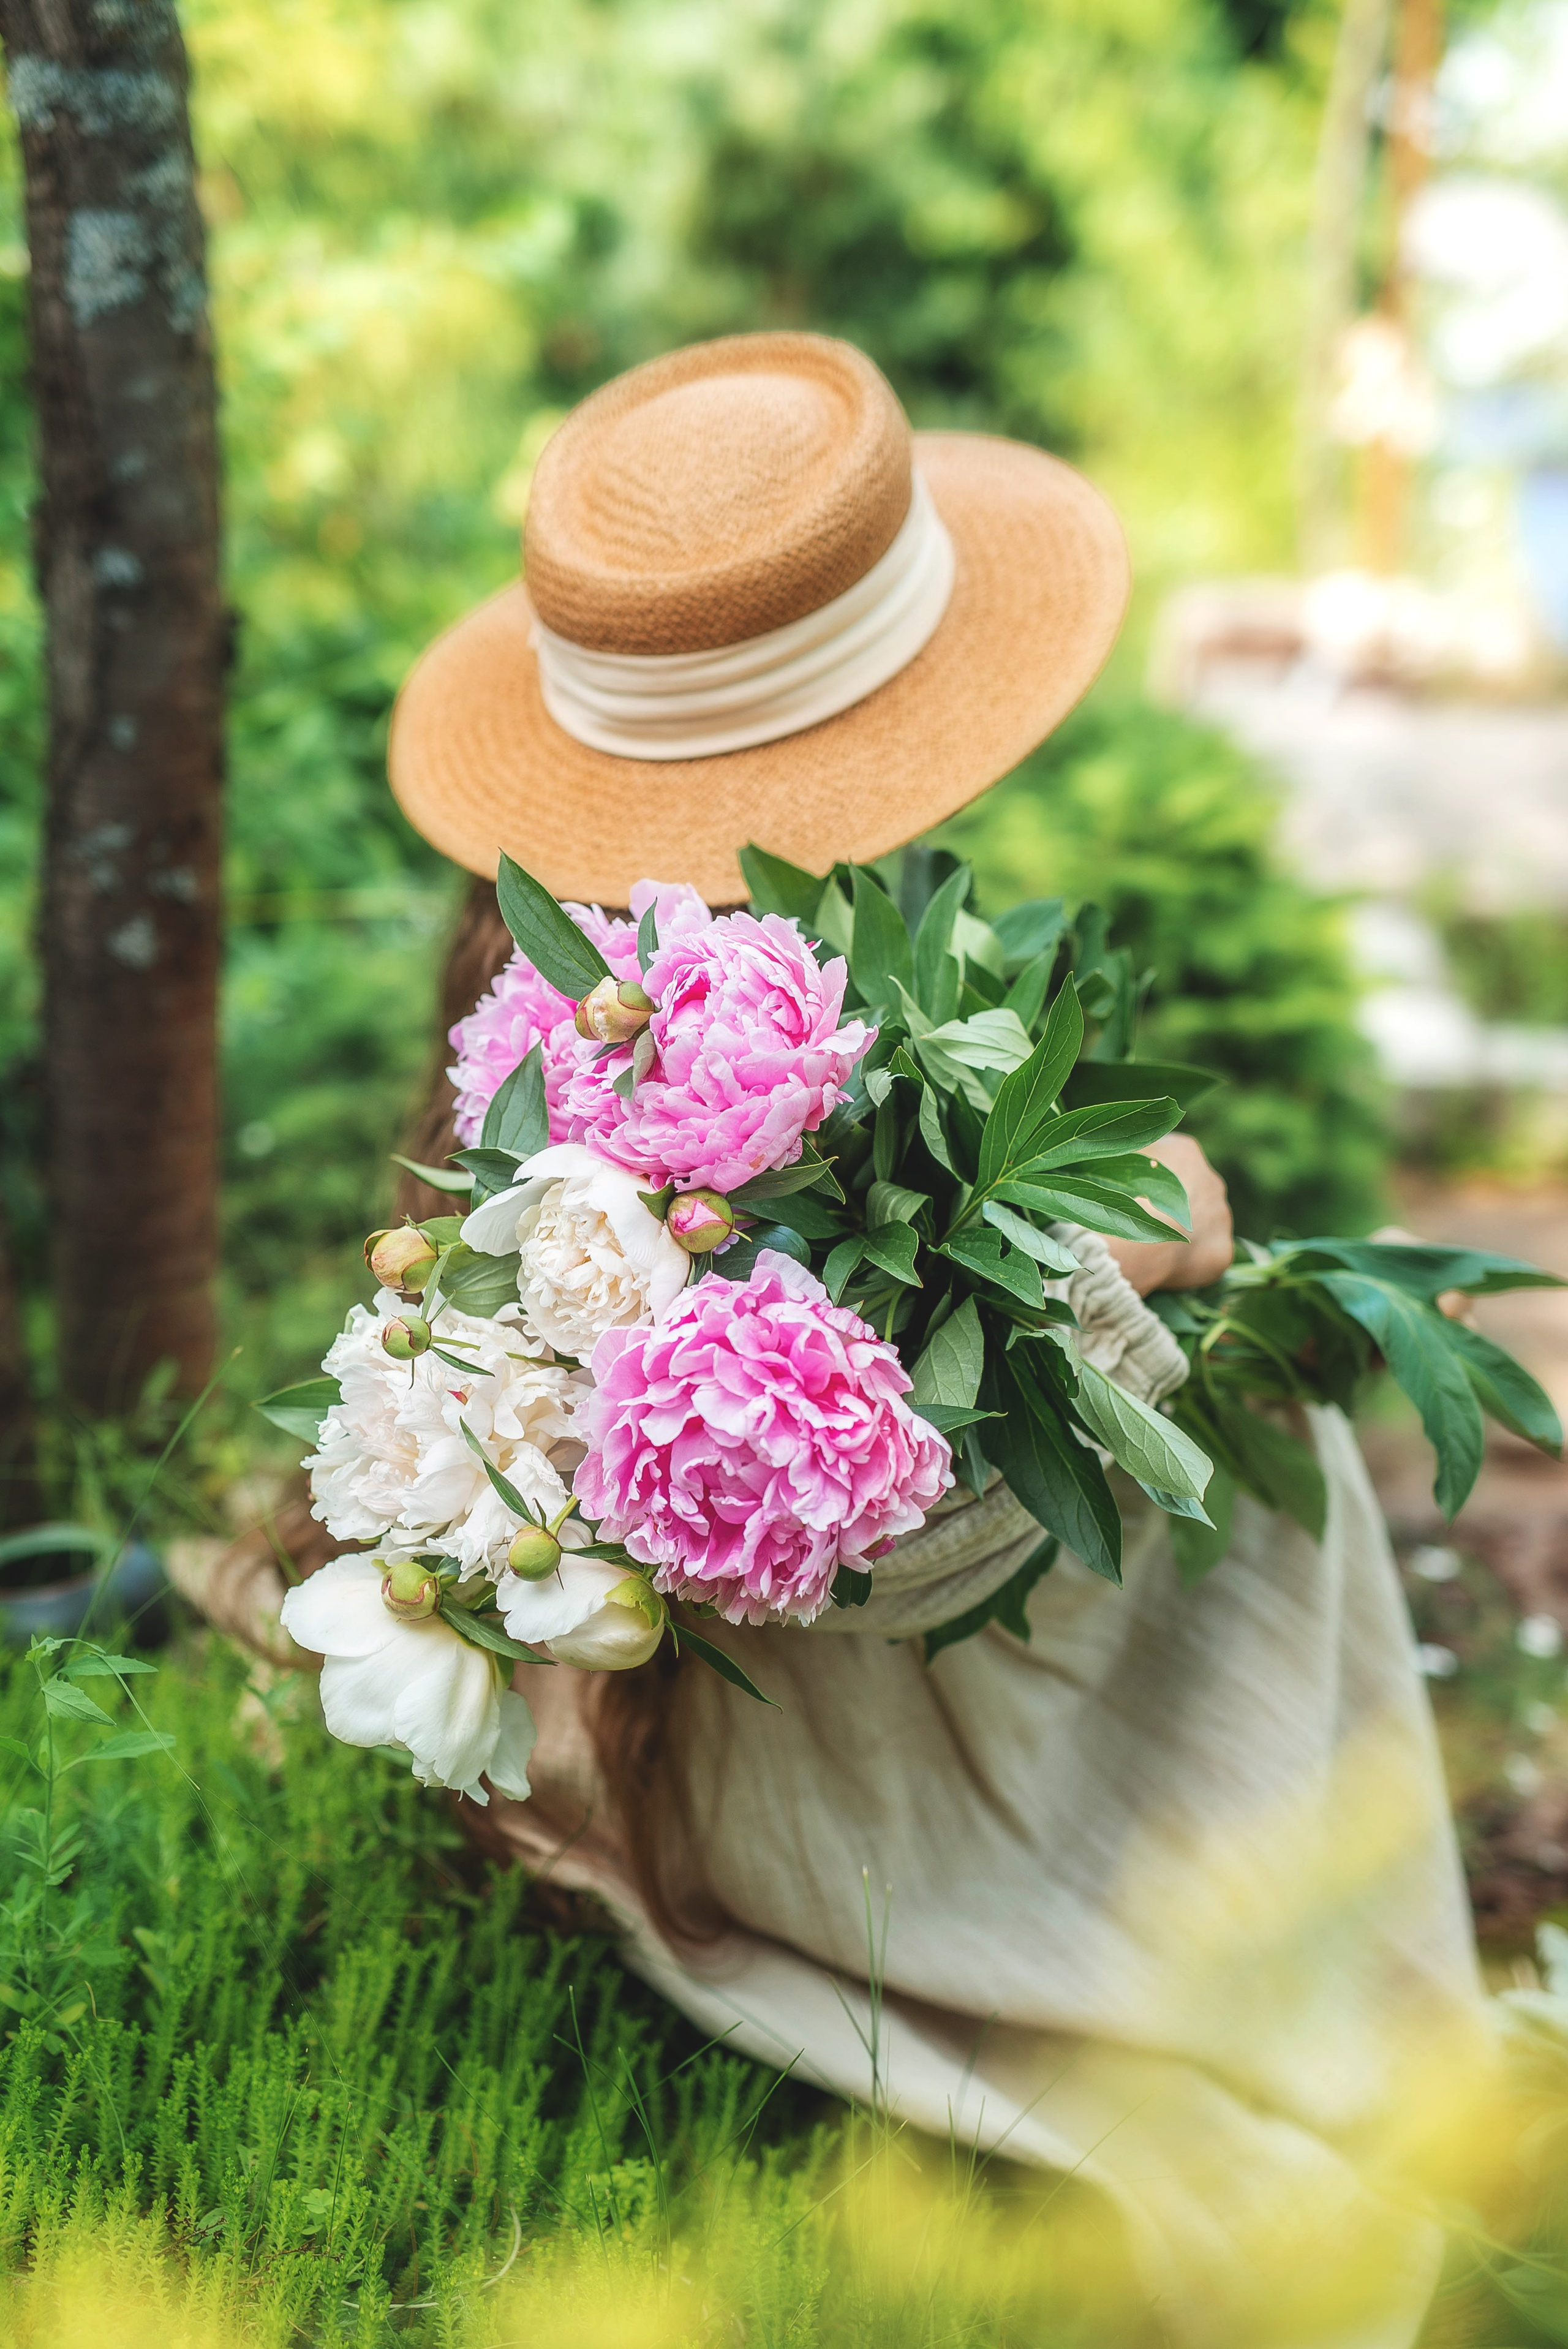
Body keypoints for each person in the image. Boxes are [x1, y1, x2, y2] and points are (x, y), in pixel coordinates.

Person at [226, 334, 1493, 2345]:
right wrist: (1150, 1231)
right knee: (1270, 1438)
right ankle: (1227, 1945)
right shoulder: (751, 1041)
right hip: (837, 1719)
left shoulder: (548, 976)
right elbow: (927, 1512)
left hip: (703, 1668)